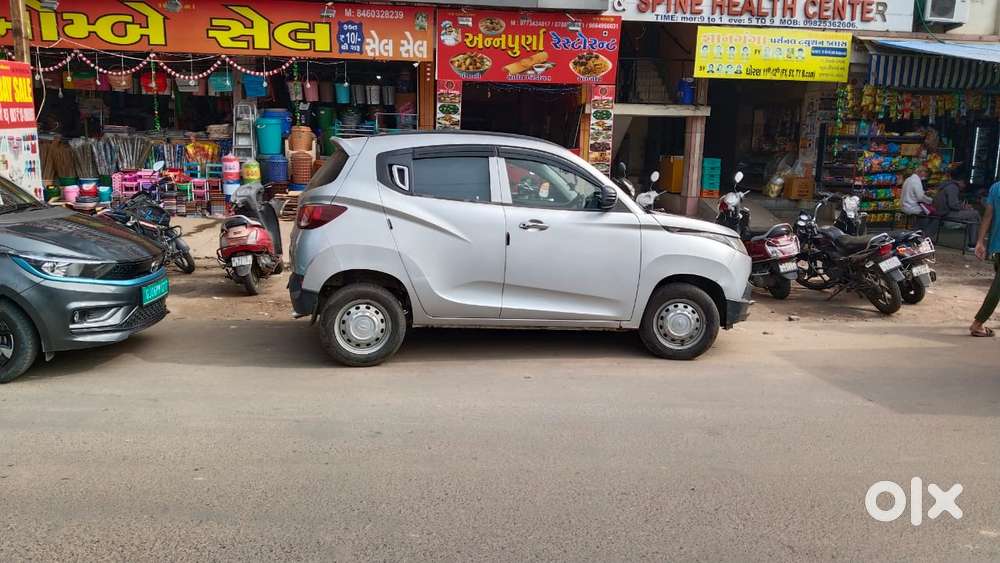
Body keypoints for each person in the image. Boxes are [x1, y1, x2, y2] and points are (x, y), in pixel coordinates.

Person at [971, 178, 1000, 337]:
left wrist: (980, 241)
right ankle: (978, 323)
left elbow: (988, 215)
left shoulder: (996, 188)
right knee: (997, 287)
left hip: (997, 244)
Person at [931, 168, 980, 252]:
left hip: (941, 211)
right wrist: (965, 207)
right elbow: (953, 205)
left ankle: (973, 242)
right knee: (975, 214)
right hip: (945, 213)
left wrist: (963, 206)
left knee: (973, 216)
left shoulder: (946, 185)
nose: (964, 186)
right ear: (960, 181)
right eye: (964, 184)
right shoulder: (953, 187)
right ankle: (973, 243)